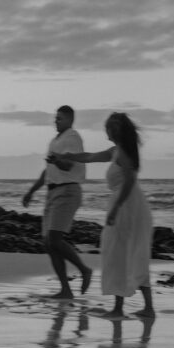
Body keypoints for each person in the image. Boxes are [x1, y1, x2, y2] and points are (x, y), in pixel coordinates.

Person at [50, 112, 154, 319]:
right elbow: (90, 157)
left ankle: (119, 308)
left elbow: (130, 181)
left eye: (107, 128)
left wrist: (116, 209)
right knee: (127, 252)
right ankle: (147, 308)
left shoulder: (123, 153)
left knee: (119, 253)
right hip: (128, 203)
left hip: (127, 205)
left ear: (114, 130)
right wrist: (68, 156)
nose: (105, 131)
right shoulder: (116, 151)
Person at [22, 105, 92, 301]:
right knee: (49, 244)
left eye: (59, 118)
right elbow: (48, 171)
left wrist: (57, 161)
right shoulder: (55, 140)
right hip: (52, 192)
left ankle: (84, 270)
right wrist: (31, 191)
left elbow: (68, 165)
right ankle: (65, 290)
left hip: (68, 190)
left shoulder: (72, 137)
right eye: (55, 118)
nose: (56, 121)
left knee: (54, 239)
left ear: (70, 120)